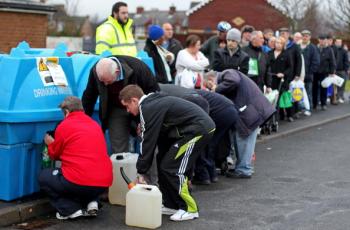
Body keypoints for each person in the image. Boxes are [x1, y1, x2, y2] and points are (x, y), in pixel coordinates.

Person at [119, 85, 215, 221]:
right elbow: (160, 135)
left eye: (127, 106)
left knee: (173, 168)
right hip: (191, 130)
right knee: (163, 163)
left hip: (198, 130)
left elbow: (147, 142)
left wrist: (141, 172)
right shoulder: (153, 103)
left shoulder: (147, 108)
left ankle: (190, 208)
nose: (128, 111)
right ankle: (172, 205)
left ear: (134, 100)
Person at [39, 96, 113, 220]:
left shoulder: (64, 125)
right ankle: (91, 202)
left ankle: (70, 209)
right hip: (103, 182)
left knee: (44, 177)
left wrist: (51, 143)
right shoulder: (95, 124)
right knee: (85, 172)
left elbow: (55, 155)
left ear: (67, 112)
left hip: (79, 180)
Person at [82, 56, 159, 153]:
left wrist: (146, 120)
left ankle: (146, 166)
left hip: (140, 108)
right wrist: (82, 119)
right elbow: (89, 96)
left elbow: (154, 94)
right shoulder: (96, 71)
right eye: (102, 82)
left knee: (147, 141)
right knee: (118, 146)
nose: (105, 84)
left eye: (108, 81)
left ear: (117, 72)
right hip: (115, 108)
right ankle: (121, 166)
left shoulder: (138, 68)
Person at [206, 69, 275, 178]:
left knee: (243, 140)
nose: (210, 88)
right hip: (252, 110)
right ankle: (244, 167)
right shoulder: (228, 75)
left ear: (211, 80)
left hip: (249, 111)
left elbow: (234, 81)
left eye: (209, 86)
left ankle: (243, 170)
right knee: (245, 141)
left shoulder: (226, 73)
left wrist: (216, 88)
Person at [267, 37, 294, 122]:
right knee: (273, 98)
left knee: (283, 97)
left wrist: (283, 74)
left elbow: (290, 67)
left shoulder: (287, 54)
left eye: (280, 43)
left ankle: (289, 114)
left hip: (282, 80)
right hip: (271, 79)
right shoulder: (269, 53)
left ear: (283, 45)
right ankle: (275, 117)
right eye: (277, 42)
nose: (278, 44)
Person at [313, 34, 336, 111]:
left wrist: (332, 71)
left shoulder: (329, 49)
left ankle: (323, 104)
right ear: (318, 40)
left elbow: (332, 61)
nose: (322, 41)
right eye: (321, 39)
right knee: (314, 88)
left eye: (324, 40)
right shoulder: (315, 48)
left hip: (324, 72)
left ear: (326, 40)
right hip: (315, 71)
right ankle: (314, 104)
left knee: (324, 88)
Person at [300, 30, 320, 115]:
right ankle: (300, 108)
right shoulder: (297, 46)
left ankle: (308, 108)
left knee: (308, 92)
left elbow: (316, 62)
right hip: (298, 75)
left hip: (308, 75)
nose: (305, 37)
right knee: (298, 93)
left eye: (307, 36)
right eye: (303, 35)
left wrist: (310, 72)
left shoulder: (313, 48)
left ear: (309, 37)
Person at [333, 38, 349, 104]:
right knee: (334, 85)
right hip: (334, 70)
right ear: (335, 42)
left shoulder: (344, 51)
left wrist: (346, 69)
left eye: (340, 42)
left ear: (341, 43)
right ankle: (334, 97)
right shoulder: (332, 50)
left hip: (342, 70)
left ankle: (340, 97)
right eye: (337, 42)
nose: (339, 43)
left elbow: (346, 61)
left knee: (342, 84)